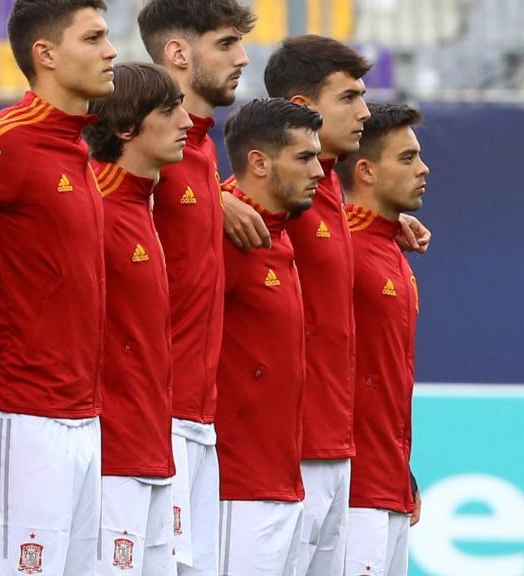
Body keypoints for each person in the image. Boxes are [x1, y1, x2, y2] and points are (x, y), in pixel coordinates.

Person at [0, 2, 116, 574]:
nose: (111, 51)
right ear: (47, 54)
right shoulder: (7, 140)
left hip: (82, 415)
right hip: (22, 412)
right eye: (94, 38)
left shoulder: (75, 145)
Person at [135, 2, 255, 572]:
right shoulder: (132, 145)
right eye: (226, 44)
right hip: (152, 417)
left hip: (200, 418)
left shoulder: (202, 150)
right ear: (178, 53)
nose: (243, 57)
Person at [263, 36, 371, 575]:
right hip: (289, 450)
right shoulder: (276, 192)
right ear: (304, 107)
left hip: (335, 445)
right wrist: (221, 199)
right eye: (348, 97)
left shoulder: (327, 188)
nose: (364, 112)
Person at [83, 61, 192, 576]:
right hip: (111, 455)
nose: (185, 122)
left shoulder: (139, 203)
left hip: (152, 448)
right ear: (126, 128)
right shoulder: (96, 207)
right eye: (169, 111)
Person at [218, 98, 324, 576]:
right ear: (259, 162)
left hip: (281, 483)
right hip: (235, 487)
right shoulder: (226, 234)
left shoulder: (278, 234)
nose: (318, 171)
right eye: (304, 158)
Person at [335, 103, 428, 576]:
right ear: (366, 171)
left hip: (389, 483)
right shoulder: (337, 247)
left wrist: (402, 469)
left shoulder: (395, 252)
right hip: (348, 488)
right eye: (407, 158)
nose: (423, 168)